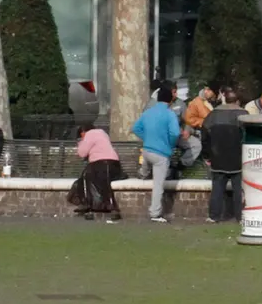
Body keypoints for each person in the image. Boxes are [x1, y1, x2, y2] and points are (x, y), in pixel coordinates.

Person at [133, 88, 180, 223]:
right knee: (158, 185)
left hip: (147, 151)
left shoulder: (148, 112)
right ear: (170, 100)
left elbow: (136, 128)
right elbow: (175, 133)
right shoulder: (170, 114)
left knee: (145, 171)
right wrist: (169, 144)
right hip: (161, 154)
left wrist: (146, 137)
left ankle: (142, 173)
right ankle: (155, 213)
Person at [201, 89, 248, 223]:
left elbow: (204, 136)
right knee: (239, 189)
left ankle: (213, 216)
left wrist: (207, 155)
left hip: (217, 157)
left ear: (224, 99)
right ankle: (240, 217)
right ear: (237, 101)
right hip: (238, 158)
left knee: (217, 189)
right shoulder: (243, 115)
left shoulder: (212, 115)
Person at [68, 123, 124, 222]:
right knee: (101, 181)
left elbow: (82, 153)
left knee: (86, 177)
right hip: (114, 164)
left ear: (83, 132)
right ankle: (97, 205)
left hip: (100, 163)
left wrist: (81, 142)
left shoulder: (89, 134)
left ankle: (88, 204)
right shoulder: (103, 133)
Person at [146, 80, 201, 174]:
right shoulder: (153, 104)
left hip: (178, 136)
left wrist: (187, 130)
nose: (176, 94)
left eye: (176, 91)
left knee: (196, 144)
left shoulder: (180, 103)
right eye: (173, 92)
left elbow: (188, 120)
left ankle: (179, 166)